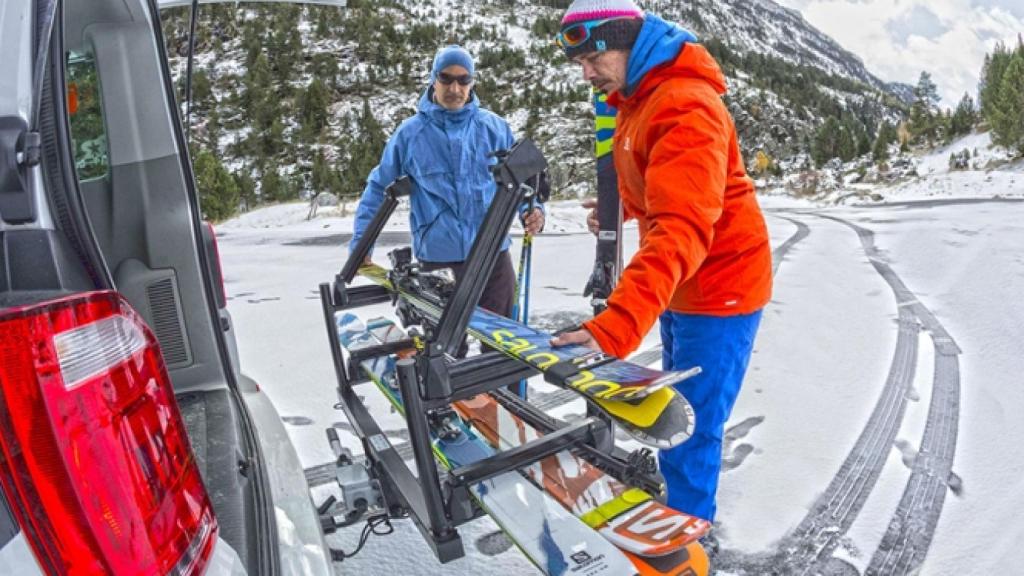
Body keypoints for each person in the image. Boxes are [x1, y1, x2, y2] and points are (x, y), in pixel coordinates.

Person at [551, 0, 773, 524]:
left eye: (592, 58)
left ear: (625, 42)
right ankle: (675, 503)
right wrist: (623, 207)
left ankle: (685, 534)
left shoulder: (685, 105)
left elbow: (682, 225)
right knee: (676, 410)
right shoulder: (636, 99)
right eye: (579, 63)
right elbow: (664, 184)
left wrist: (615, 328)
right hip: (679, 284)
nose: (586, 74)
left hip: (721, 288)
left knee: (694, 424)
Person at [349, 45, 545, 320]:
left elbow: (521, 181)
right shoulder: (410, 134)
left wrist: (533, 211)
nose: (455, 88)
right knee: (442, 343)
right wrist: (362, 245)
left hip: (493, 257)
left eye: (463, 80)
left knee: (503, 339)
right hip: (438, 262)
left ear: (472, 83)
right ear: (434, 80)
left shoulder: (495, 128)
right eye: (446, 79)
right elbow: (378, 188)